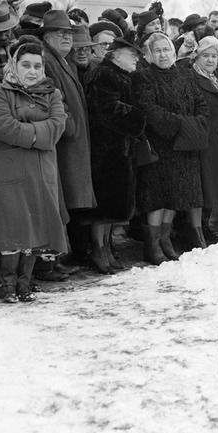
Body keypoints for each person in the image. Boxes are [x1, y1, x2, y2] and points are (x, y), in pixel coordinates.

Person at [0, 39, 68, 303]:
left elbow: (58, 127)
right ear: (13, 65)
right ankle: (7, 285)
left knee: (36, 228)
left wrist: (26, 128)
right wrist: (41, 132)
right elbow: (2, 127)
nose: (32, 71)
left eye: (37, 66)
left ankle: (25, 284)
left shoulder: (53, 94)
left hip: (41, 172)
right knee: (13, 229)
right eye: (25, 65)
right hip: (9, 173)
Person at [132, 31, 210, 264]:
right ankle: (153, 244)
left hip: (184, 147)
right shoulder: (143, 77)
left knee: (176, 196)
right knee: (157, 197)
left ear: (174, 52)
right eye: (157, 50)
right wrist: (179, 124)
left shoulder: (186, 75)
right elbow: (148, 108)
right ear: (149, 54)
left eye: (166, 49)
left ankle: (166, 239)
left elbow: (202, 106)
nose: (163, 54)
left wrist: (191, 126)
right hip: (160, 146)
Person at [38, 10, 97, 272]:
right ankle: (48, 261)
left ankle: (56, 258)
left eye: (69, 33)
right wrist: (71, 126)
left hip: (72, 144)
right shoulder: (47, 59)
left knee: (64, 203)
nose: (66, 38)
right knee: (54, 202)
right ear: (47, 36)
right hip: (62, 143)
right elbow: (53, 97)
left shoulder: (63, 60)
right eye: (60, 33)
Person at [85, 35, 147, 271]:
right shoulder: (105, 74)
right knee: (103, 207)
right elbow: (108, 109)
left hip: (117, 149)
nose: (136, 60)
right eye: (133, 56)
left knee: (111, 206)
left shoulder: (116, 74)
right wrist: (138, 117)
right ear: (117, 55)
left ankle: (106, 247)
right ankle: (98, 249)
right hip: (106, 150)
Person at [190, 35, 218, 244]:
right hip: (201, 140)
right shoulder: (193, 79)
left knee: (212, 188)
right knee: (201, 188)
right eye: (205, 55)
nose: (210, 60)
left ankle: (205, 226)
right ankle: (195, 230)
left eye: (214, 56)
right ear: (197, 57)